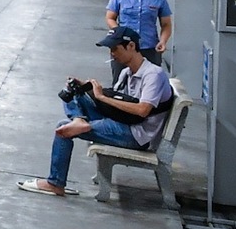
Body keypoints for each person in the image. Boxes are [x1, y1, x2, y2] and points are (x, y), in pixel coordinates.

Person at [18, 29, 174, 197]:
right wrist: (86, 87)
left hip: (137, 135)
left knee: (63, 129)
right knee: (73, 92)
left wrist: (101, 97)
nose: (112, 54)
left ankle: (55, 183)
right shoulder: (126, 72)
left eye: (115, 49)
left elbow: (143, 110)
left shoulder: (153, 75)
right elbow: (119, 102)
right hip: (124, 122)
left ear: (131, 46)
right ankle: (79, 119)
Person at [105, 0, 172, 68]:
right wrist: (120, 32)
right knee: (121, 81)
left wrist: (163, 41)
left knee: (150, 81)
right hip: (123, 46)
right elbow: (110, 18)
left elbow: (166, 24)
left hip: (149, 47)